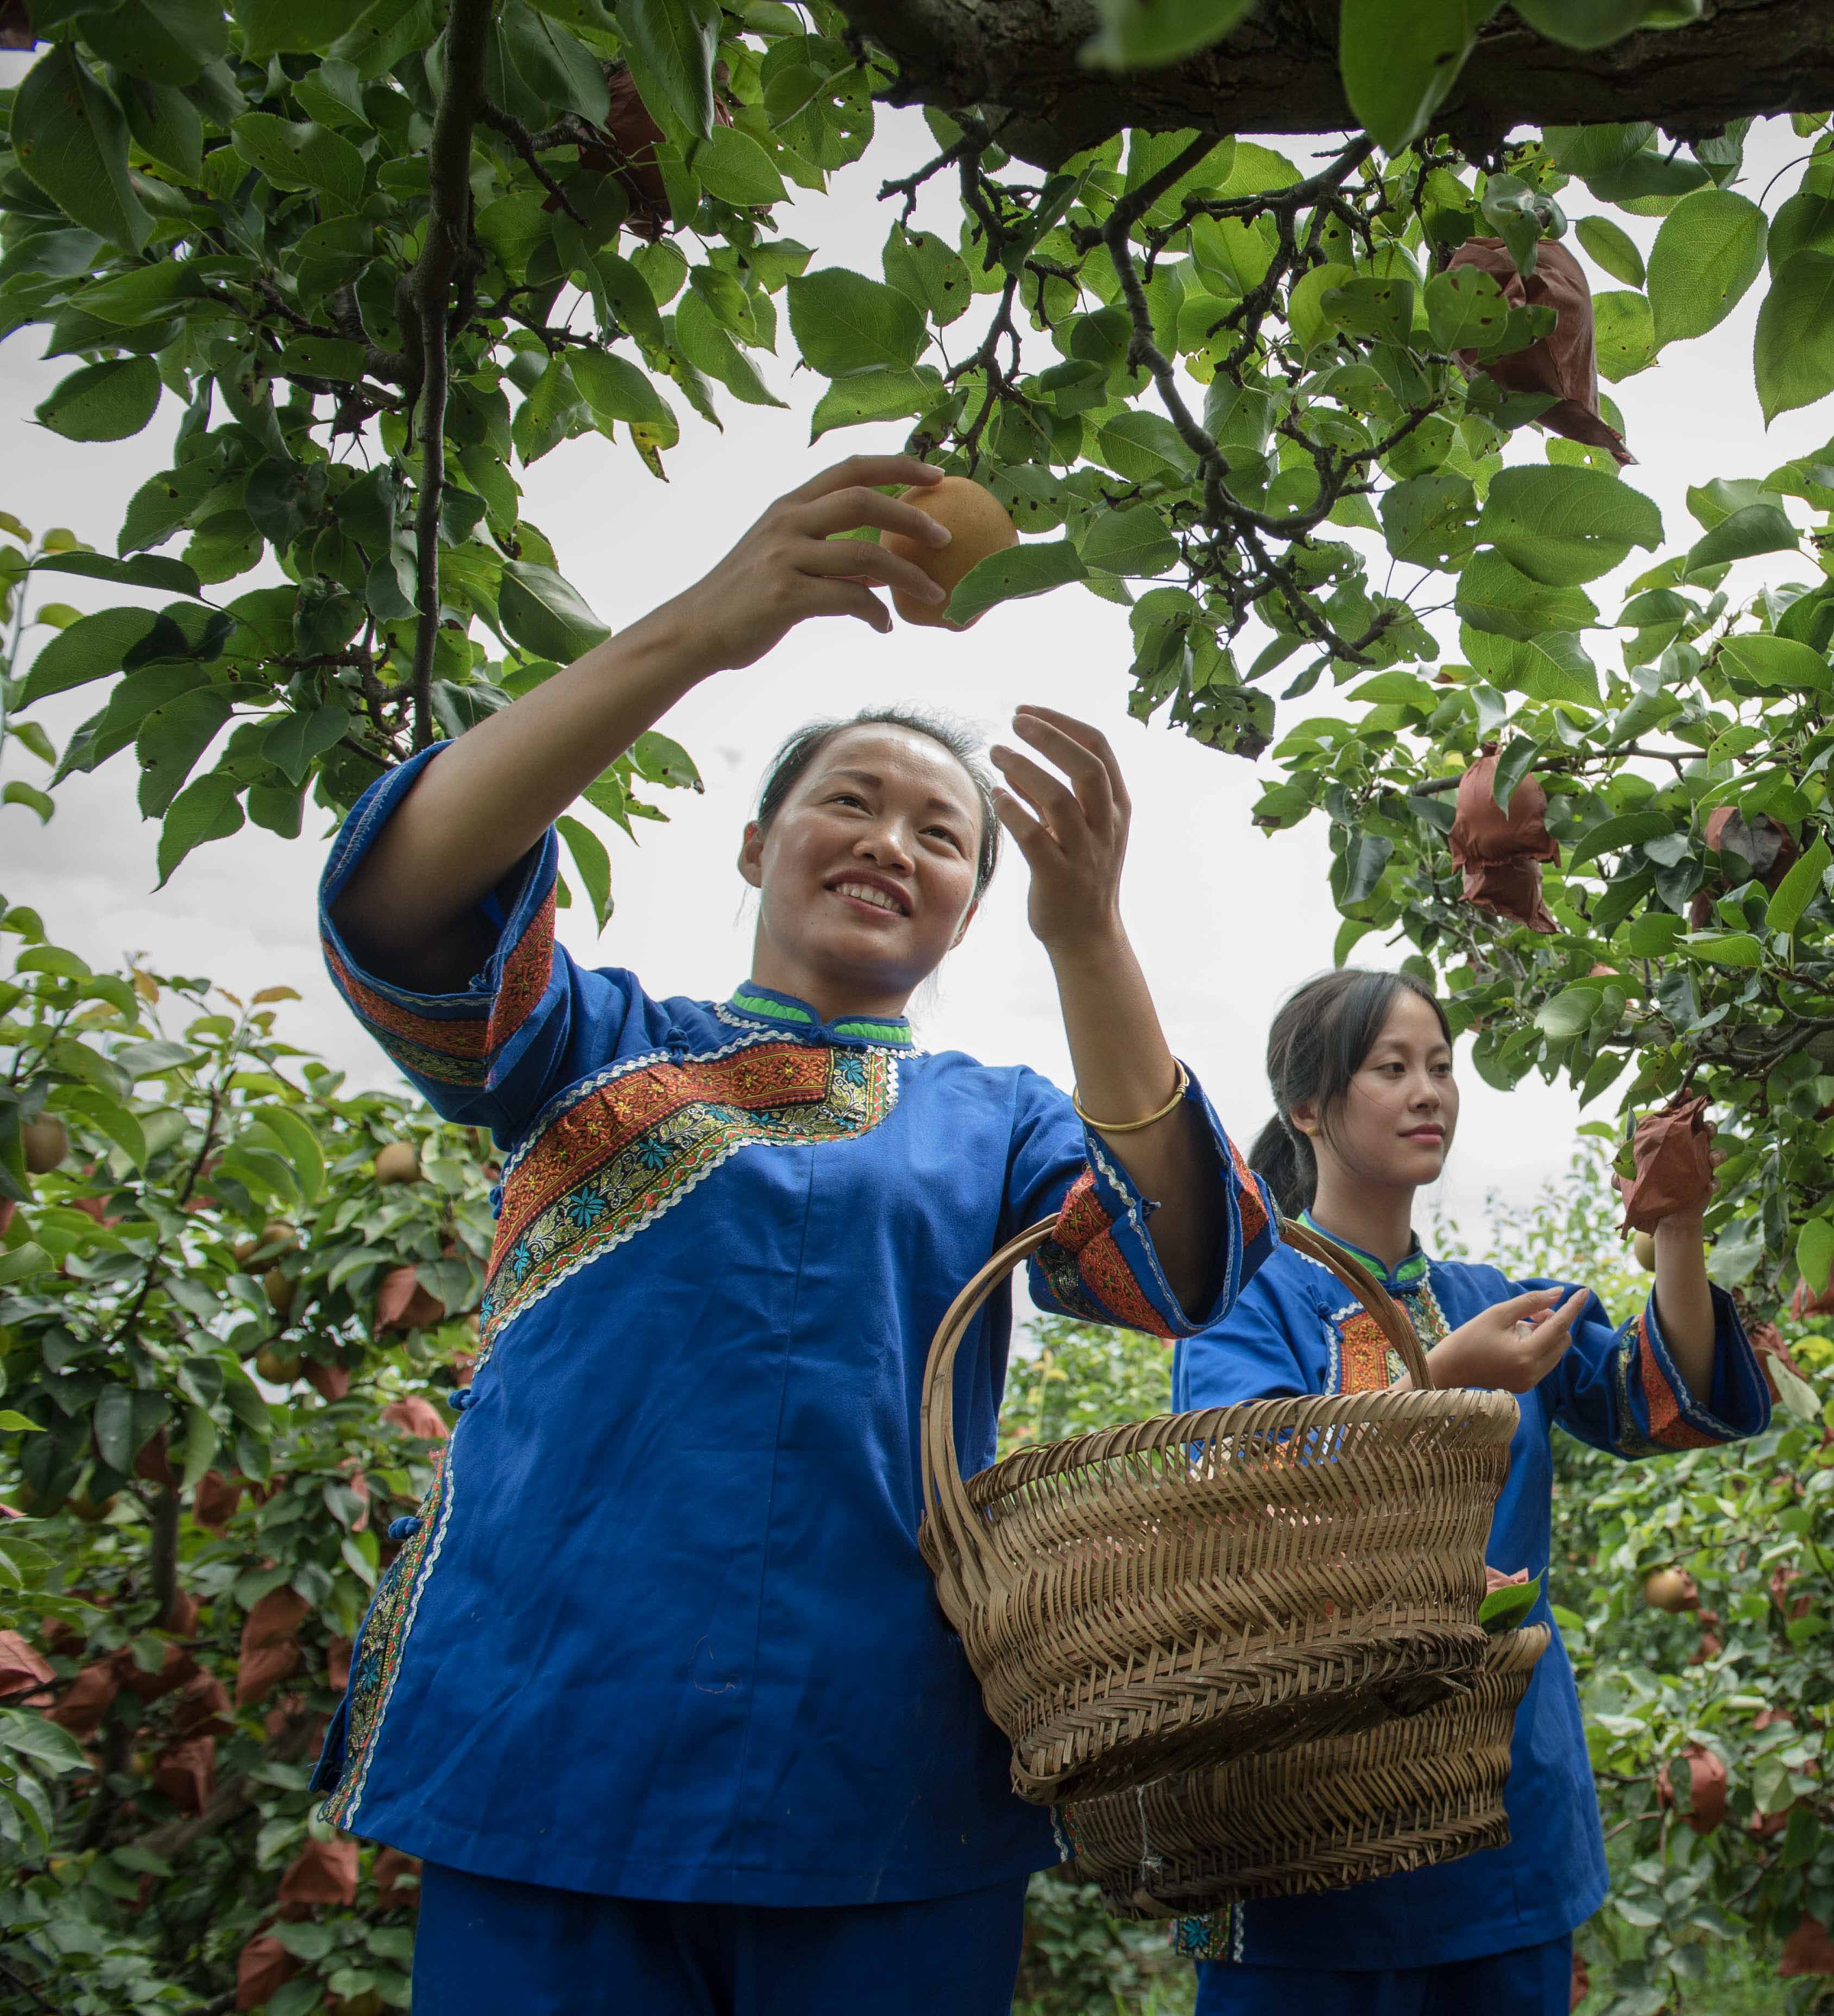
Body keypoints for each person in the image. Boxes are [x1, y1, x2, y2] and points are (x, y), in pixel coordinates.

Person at [309, 455, 1277, 2013]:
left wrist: (1092, 929)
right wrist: (706, 626)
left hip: (882, 1782)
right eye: (849, 799)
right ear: (756, 847)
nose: (893, 839)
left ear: (970, 914)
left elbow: (1179, 1266)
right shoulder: (598, 1051)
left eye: (945, 835)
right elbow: (404, 910)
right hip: (556, 1736)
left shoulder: (1003, 1117)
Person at [1168, 970, 1772, 2015]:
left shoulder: (1482, 1299)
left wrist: (1675, 1222)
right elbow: (1239, 1504)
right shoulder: (1250, 1296)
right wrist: (1446, 1382)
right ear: (1307, 1107)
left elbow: (1655, 1406)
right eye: (1391, 1069)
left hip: (1503, 1812)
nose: (1429, 1092)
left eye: (1441, 1068)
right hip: (1306, 1812)